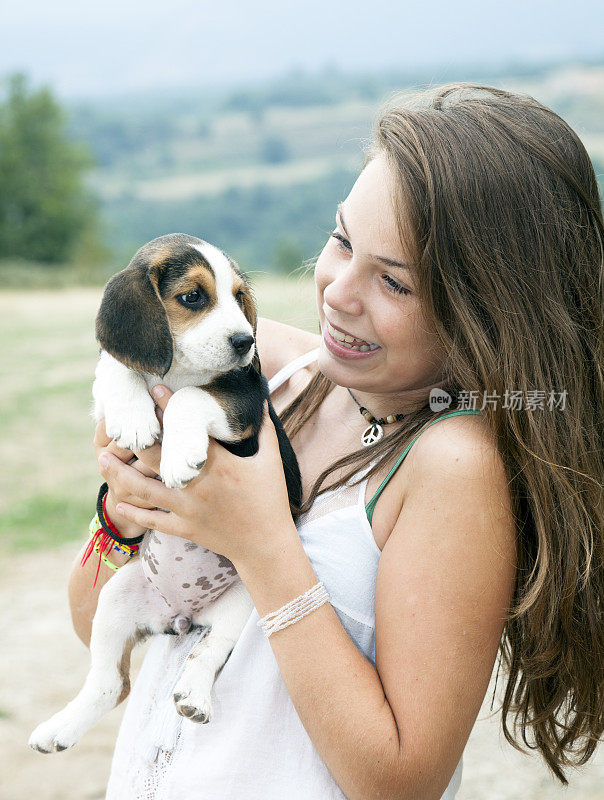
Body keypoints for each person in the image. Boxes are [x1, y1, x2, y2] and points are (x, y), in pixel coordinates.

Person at [68, 83, 603, 800]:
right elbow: (99, 633)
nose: (338, 293)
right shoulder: (265, 375)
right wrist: (123, 512)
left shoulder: (451, 464)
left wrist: (261, 544)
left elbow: (403, 782)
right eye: (342, 240)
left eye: (396, 283)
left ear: (489, 313)